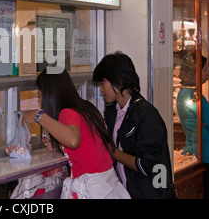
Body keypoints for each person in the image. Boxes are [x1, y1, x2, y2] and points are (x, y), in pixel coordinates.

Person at [22, 68, 130, 199]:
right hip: (109, 185)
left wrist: (38, 115)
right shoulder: (87, 108)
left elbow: (73, 140)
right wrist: (59, 145)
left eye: (40, 95)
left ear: (49, 93)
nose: (40, 101)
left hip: (92, 188)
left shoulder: (67, 112)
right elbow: (87, 146)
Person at [92, 51, 175, 199]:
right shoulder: (113, 110)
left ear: (118, 80)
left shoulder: (146, 114)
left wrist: (113, 152)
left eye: (103, 83)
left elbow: (147, 165)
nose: (101, 90)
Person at [177, 55, 209, 199]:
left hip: (202, 153)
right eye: (205, 69)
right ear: (194, 72)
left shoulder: (186, 93)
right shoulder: (193, 95)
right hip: (207, 156)